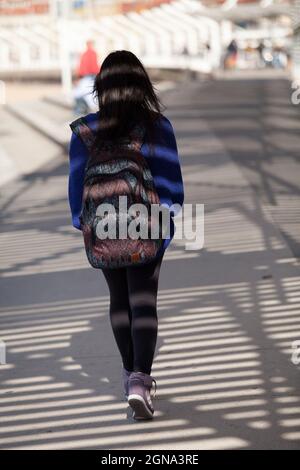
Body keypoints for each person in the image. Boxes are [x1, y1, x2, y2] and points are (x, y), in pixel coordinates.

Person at [68, 50, 184, 420]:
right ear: (141, 85)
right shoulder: (156, 126)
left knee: (119, 299)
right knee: (143, 301)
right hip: (147, 224)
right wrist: (166, 223)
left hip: (101, 225)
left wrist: (84, 224)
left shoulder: (84, 130)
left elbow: (75, 192)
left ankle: (128, 374)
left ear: (101, 87)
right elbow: (170, 186)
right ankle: (140, 381)